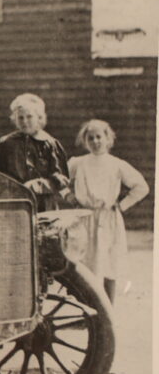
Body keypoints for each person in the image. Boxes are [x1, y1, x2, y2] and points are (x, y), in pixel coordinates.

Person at [67, 119, 149, 304]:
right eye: (90, 138)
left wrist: (122, 205)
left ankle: (108, 309)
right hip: (85, 218)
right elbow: (58, 179)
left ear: (108, 139)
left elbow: (141, 186)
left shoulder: (116, 164)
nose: (95, 141)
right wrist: (68, 196)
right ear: (85, 140)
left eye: (99, 137)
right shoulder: (78, 163)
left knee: (109, 262)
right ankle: (86, 311)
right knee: (85, 264)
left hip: (108, 218)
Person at [0, 93, 69, 211]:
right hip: (15, 203)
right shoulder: (5, 144)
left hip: (45, 205)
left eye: (29, 117)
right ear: (15, 120)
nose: (25, 121)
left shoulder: (50, 144)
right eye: (20, 118)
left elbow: (61, 179)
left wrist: (39, 185)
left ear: (39, 118)